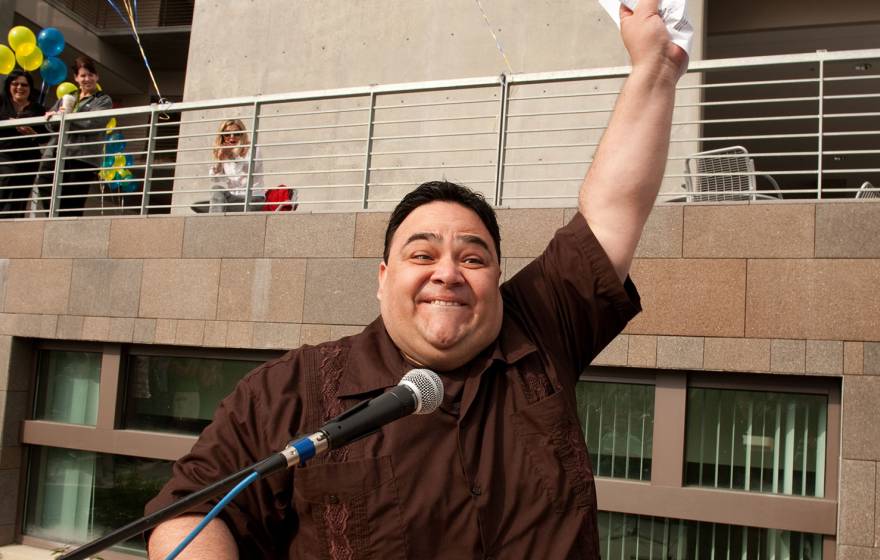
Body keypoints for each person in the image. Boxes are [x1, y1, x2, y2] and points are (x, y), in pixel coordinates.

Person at [145, 1, 688, 558]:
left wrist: (655, 66)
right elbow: (186, 519)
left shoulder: (541, 331)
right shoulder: (287, 392)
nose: (448, 273)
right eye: (422, 254)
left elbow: (612, 210)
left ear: (498, 278)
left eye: (473, 259)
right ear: (383, 279)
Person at [42, 55, 113, 216]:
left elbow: (93, 122)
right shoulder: (68, 97)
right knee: (44, 184)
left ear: (97, 76)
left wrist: (66, 118)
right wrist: (53, 117)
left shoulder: (102, 100)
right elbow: (49, 125)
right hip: (55, 153)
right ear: (76, 78)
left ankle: (66, 235)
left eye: (90, 74)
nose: (87, 79)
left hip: (82, 158)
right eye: (82, 75)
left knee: (71, 202)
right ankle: (52, 224)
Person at [0, 70, 45, 218]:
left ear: (30, 88)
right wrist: (10, 123)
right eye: (15, 84)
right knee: (6, 183)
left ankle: (13, 227)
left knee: (19, 196)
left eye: (24, 85)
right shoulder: (1, 102)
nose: (20, 87)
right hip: (4, 154)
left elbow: (45, 136)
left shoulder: (37, 109)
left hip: (28, 158)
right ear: (8, 85)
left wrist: (33, 134)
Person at [208, 119, 265, 212]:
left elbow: (249, 168)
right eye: (227, 134)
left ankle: (214, 222)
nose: (232, 137)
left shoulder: (253, 148)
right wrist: (220, 161)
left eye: (236, 133)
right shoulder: (225, 152)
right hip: (234, 198)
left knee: (216, 204)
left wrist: (232, 156)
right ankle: (215, 220)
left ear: (242, 134)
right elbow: (215, 179)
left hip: (253, 198)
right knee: (215, 189)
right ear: (222, 136)